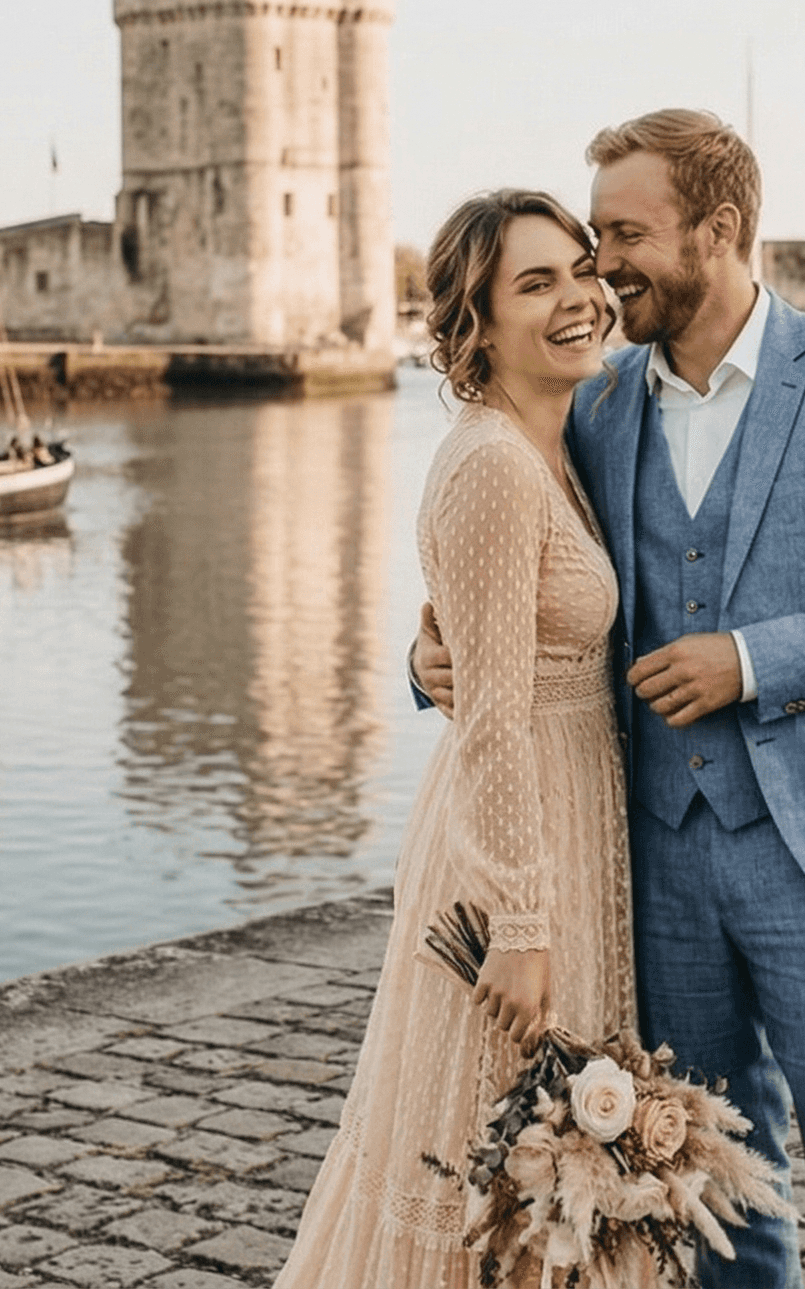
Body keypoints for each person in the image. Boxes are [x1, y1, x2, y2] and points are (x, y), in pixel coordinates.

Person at [417, 110, 805, 1287]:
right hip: (654, 857)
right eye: (590, 239)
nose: (602, 266)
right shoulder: (600, 398)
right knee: (710, 1179)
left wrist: (752, 658)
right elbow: (511, 572)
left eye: (623, 235)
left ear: (717, 230)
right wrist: (430, 662)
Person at [276, 190, 637, 1288]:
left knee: (560, 1162)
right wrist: (521, 922)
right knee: (499, 1157)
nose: (579, 295)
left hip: (571, 816)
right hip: (512, 848)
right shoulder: (490, 462)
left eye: (581, 268)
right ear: (473, 327)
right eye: (537, 283)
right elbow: (487, 717)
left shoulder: (562, 435)